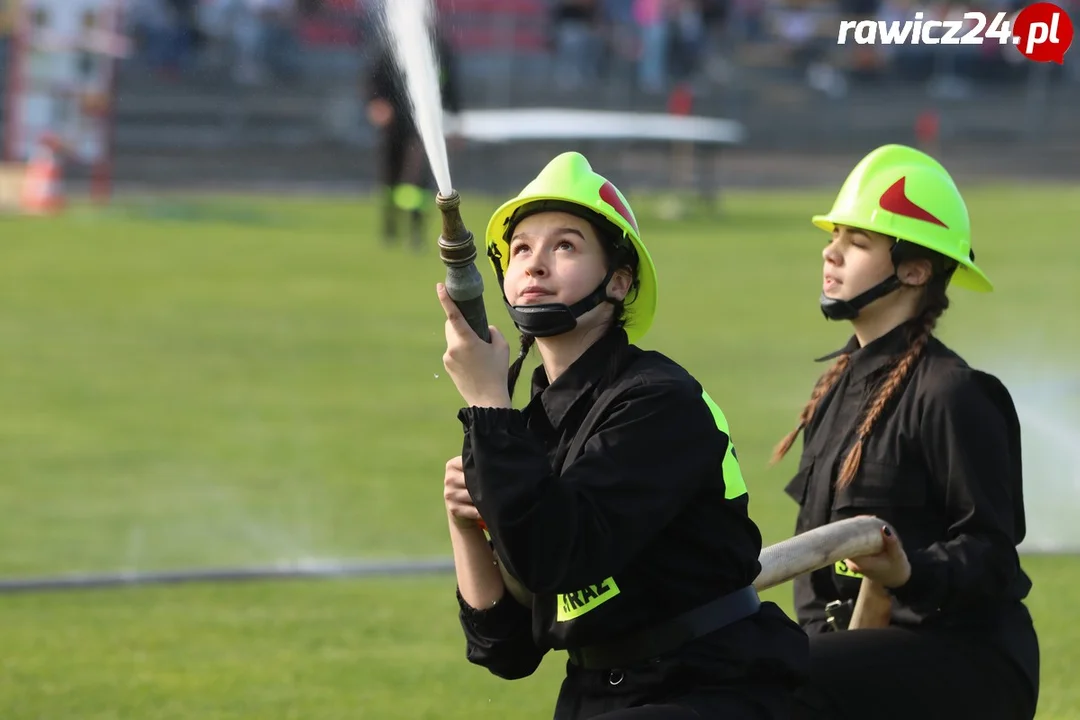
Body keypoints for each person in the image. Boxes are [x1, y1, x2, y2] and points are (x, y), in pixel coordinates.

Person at [436, 151, 808, 719]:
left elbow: (557, 557)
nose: (535, 265)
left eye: (565, 245)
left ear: (619, 280)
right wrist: (466, 526)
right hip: (601, 693)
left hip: (712, 686)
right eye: (521, 249)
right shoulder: (523, 427)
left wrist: (487, 404)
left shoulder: (657, 400)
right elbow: (505, 649)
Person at [771, 144, 1040, 720]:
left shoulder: (953, 393)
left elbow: (992, 557)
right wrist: (823, 639)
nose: (831, 252)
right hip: (859, 659)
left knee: (774, 675)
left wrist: (910, 572)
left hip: (966, 661)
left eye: (858, 242)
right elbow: (816, 570)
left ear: (915, 270)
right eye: (834, 236)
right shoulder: (836, 390)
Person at [365, 16, 461, 249]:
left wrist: (456, 123)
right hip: (393, 126)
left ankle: (416, 233)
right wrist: (376, 103)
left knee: (420, 183)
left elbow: (451, 88)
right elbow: (373, 81)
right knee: (390, 177)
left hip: (422, 128)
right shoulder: (391, 46)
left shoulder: (439, 49)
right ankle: (390, 228)